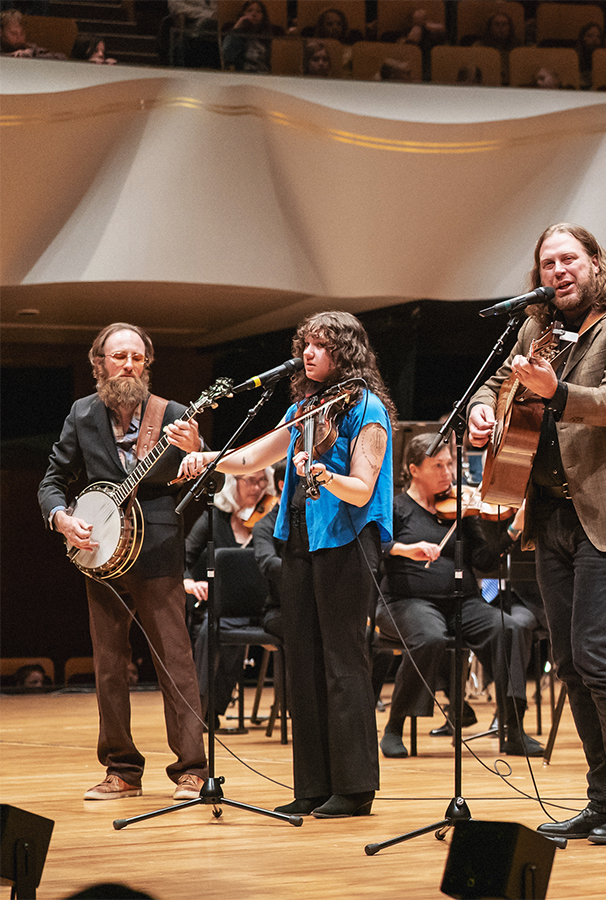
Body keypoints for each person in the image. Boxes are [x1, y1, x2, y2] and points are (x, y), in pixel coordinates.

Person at [466, 222, 606, 845]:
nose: (558, 271)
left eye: (569, 259)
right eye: (547, 262)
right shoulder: (536, 326)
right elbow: (505, 383)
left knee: (601, 656)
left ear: (594, 262)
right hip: (548, 511)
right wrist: (484, 410)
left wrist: (555, 391)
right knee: (573, 664)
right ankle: (602, 798)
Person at [178, 311, 394, 818]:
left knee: (344, 662)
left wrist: (324, 474)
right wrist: (207, 455)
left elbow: (362, 488)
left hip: (345, 540)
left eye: (321, 345)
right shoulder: (303, 407)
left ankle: (356, 787)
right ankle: (314, 783)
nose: (309, 353)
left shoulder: (367, 409)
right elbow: (254, 458)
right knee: (301, 662)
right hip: (297, 539)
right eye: (306, 345)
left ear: (346, 351)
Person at [39, 323, 209, 801]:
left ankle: (192, 769)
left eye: (137, 357)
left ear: (146, 364)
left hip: (155, 550)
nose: (128, 364)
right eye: (119, 357)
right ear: (101, 364)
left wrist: (194, 451)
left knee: (175, 662)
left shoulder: (172, 415)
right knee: (110, 665)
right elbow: (52, 478)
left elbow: (195, 480)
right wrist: (62, 518)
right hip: (99, 554)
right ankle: (121, 770)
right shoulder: (82, 413)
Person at [376, 435, 540, 758]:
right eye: (438, 465)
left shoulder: (462, 510)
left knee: (510, 627)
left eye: (450, 464)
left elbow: (484, 562)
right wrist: (404, 549)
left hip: (462, 602)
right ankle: (394, 726)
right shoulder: (396, 508)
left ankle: (513, 728)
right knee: (429, 637)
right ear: (413, 470)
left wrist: (512, 531)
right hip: (406, 601)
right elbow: (372, 546)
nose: (447, 472)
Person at [182, 467, 279, 726]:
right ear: (233, 482)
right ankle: (201, 708)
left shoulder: (271, 520)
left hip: (264, 610)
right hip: (224, 611)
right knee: (210, 631)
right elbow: (184, 557)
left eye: (262, 482)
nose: (257, 488)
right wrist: (188, 582)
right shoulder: (214, 519)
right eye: (250, 481)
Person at [221, 0, 275, 73]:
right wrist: (237, 25)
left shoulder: (266, 35)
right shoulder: (238, 34)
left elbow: (268, 64)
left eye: (258, 11)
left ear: (263, 16)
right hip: (243, 76)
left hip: (263, 76)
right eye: (249, 11)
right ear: (244, 14)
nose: (254, 14)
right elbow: (227, 53)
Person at [574, 21, 602, 89]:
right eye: (589, 36)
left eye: (598, 36)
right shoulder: (575, 56)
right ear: (582, 38)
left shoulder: (605, 57)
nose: (594, 39)